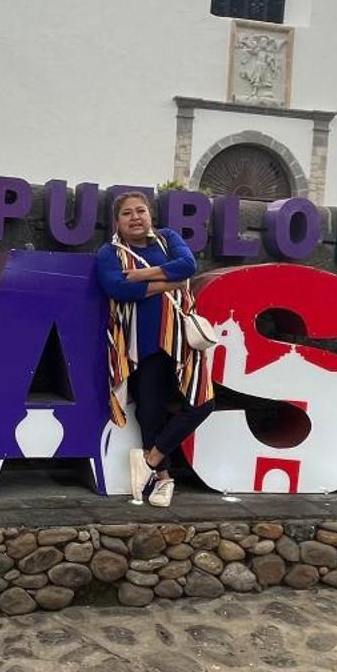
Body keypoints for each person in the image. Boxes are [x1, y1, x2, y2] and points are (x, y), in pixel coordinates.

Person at [95, 191, 215, 507]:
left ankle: (149, 460)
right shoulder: (109, 252)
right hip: (142, 342)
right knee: (150, 412)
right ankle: (163, 480)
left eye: (141, 211)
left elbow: (187, 265)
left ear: (150, 215)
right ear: (117, 222)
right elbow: (117, 287)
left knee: (202, 403)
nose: (135, 217)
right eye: (127, 213)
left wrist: (141, 276)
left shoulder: (167, 238)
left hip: (182, 339)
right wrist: (169, 280)